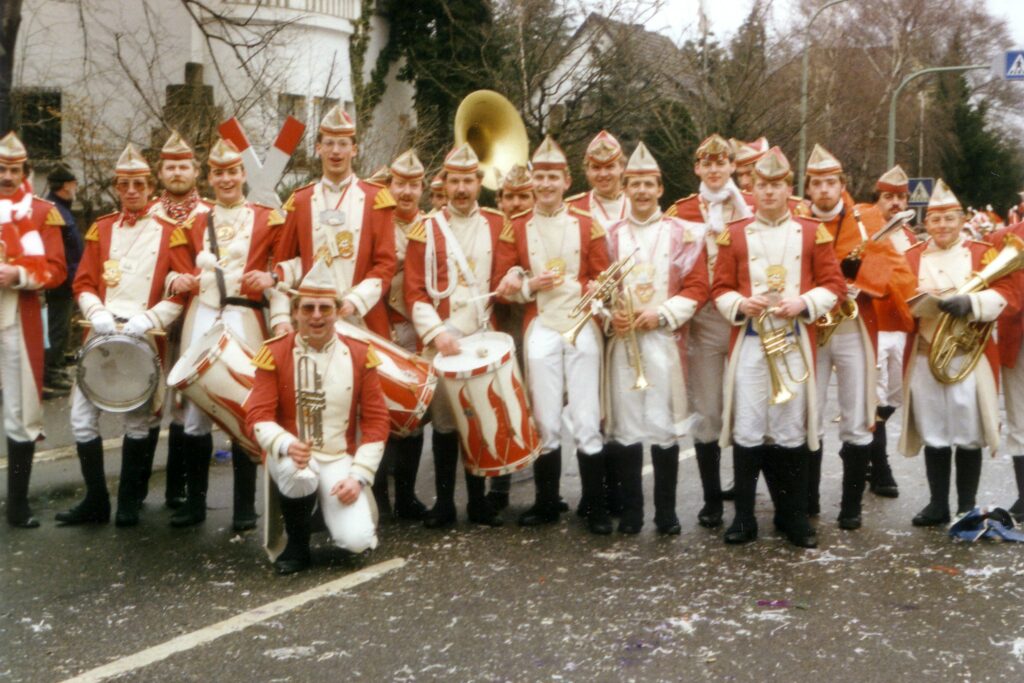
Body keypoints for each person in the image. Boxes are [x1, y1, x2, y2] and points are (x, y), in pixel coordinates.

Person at [711, 146, 845, 548]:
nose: (768, 193)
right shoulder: (734, 233)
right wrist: (740, 304)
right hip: (751, 343)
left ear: (789, 188)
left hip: (792, 341)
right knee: (748, 428)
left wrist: (804, 303)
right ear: (751, 187)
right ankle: (744, 519)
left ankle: (793, 518)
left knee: (790, 429)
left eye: (777, 185)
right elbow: (719, 287)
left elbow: (834, 285)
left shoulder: (810, 231)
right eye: (762, 185)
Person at [56, 144, 191, 527]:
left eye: (138, 184)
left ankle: (129, 501)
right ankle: (96, 500)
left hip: (142, 335)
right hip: (100, 334)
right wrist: (95, 311)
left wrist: (149, 319)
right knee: (82, 418)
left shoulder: (171, 233)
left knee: (138, 422)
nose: (132, 190)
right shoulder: (100, 229)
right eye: (124, 184)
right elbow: (83, 281)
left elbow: (181, 293)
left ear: (150, 187)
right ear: (118, 187)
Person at [166, 138, 283, 529]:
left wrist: (273, 279)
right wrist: (177, 278)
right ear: (210, 177)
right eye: (219, 172)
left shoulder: (267, 218)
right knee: (197, 411)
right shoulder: (195, 222)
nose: (227, 179)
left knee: (245, 404)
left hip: (245, 316)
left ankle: (244, 507)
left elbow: (285, 265)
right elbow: (174, 269)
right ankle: (195, 503)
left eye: (233, 171)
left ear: (243, 174)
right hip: (205, 314)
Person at [246, 261, 390, 575]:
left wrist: (358, 477)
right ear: (295, 312)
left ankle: (324, 511)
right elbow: (257, 414)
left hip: (338, 455)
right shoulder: (275, 352)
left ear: (338, 312)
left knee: (357, 542)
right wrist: (285, 444)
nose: (316, 316)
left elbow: (377, 423)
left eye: (325, 308)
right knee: (299, 474)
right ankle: (297, 545)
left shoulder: (360, 353)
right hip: (294, 456)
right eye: (307, 308)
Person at [494, 135, 609, 528]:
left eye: (552, 177)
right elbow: (505, 287)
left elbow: (602, 277)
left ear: (566, 180)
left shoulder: (588, 225)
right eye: (539, 177)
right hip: (540, 323)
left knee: (586, 416)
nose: (544, 184)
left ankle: (593, 505)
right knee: (545, 417)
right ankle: (547, 501)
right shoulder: (516, 228)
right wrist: (528, 285)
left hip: (581, 325)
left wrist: (596, 290)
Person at [803, 144, 914, 530]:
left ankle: (850, 507)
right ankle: (809, 499)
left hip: (853, 326)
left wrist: (862, 280)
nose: (824, 190)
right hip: (811, 326)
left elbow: (900, 274)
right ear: (809, 187)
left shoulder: (866, 220)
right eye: (816, 183)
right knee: (808, 413)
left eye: (830, 182)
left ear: (842, 184)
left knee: (858, 413)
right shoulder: (797, 217)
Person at [603, 142, 709, 535]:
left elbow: (698, 288)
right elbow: (596, 288)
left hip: (664, 339)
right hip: (624, 342)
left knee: (664, 426)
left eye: (649, 184)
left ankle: (666, 513)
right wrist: (608, 315)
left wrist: (661, 314)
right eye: (635, 185)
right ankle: (632, 512)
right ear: (626, 189)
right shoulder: (611, 236)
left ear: (660, 189)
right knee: (628, 425)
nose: (643, 192)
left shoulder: (683, 234)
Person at [898, 180, 1017, 525]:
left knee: (968, 432)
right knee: (934, 431)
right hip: (926, 352)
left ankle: (966, 505)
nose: (943, 226)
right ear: (927, 224)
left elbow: (1006, 294)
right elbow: (900, 300)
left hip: (968, 354)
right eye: (936, 220)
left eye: (950, 219)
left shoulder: (983, 252)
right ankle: (938, 504)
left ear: (962, 219)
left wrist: (972, 302)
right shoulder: (912, 256)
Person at [404, 144, 508, 528]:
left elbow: (506, 278)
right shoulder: (425, 228)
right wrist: (435, 334)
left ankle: (478, 504)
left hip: (482, 336)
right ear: (444, 183)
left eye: (468, 180)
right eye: (454, 181)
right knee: (447, 425)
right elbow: (414, 291)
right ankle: (445, 503)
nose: (461, 189)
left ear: (479, 182)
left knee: (479, 421)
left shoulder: (498, 224)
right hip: (444, 339)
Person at [667, 134, 752, 529]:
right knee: (709, 409)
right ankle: (711, 497)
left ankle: (744, 491)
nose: (715, 169)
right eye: (708, 163)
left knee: (748, 405)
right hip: (704, 320)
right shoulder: (682, 210)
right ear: (698, 168)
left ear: (732, 166)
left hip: (745, 317)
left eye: (722, 163)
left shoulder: (750, 208)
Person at [271, 105, 397, 339]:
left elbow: (386, 265)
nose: (335, 151)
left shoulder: (375, 199)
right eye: (329, 143)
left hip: (363, 318)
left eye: (343, 144)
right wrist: (280, 319)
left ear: (355, 149)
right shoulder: (301, 200)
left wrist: (354, 302)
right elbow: (283, 264)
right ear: (318, 148)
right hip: (312, 321)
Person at [0, 132, 67, 528]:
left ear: (25, 171)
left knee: (20, 411)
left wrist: (19, 273)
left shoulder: (42, 213)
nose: (6, 177)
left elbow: (57, 271)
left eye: (13, 170)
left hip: (15, 322)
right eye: (0, 170)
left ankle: (18, 504)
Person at [151, 130, 212, 511]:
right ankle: (162, 488)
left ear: (196, 171)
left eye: (183, 166)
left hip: (197, 316)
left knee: (190, 403)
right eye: (170, 166)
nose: (177, 172)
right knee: (159, 400)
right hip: (158, 319)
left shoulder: (208, 213)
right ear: (161, 172)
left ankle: (187, 488)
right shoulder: (149, 214)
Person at [373, 148, 429, 521]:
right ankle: (379, 499)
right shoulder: (377, 223)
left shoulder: (432, 225)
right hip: (380, 322)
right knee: (378, 412)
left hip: (416, 325)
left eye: (412, 185)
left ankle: (406, 497)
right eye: (399, 184)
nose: (405, 192)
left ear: (422, 188)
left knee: (414, 413)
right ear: (389, 185)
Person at [858, 164, 916, 498]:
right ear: (877, 199)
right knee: (875, 397)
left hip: (903, 325)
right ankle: (879, 468)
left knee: (895, 395)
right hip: (875, 323)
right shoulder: (866, 227)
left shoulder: (908, 235)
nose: (895, 203)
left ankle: (868, 452)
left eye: (900, 197)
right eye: (888, 197)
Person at [487, 163, 535, 512]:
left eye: (523, 196)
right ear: (500, 200)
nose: (516, 203)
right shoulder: (490, 228)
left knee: (538, 400)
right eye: (509, 197)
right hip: (500, 324)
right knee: (501, 403)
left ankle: (547, 490)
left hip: (533, 322)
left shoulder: (539, 228)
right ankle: (499, 488)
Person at [42, 165, 82, 399]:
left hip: (65, 277)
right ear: (66, 185)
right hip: (60, 280)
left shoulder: (59, 209)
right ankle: (51, 373)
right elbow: (62, 251)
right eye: (74, 183)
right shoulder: (55, 211)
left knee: (60, 326)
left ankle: (54, 368)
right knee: (57, 327)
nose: (76, 188)